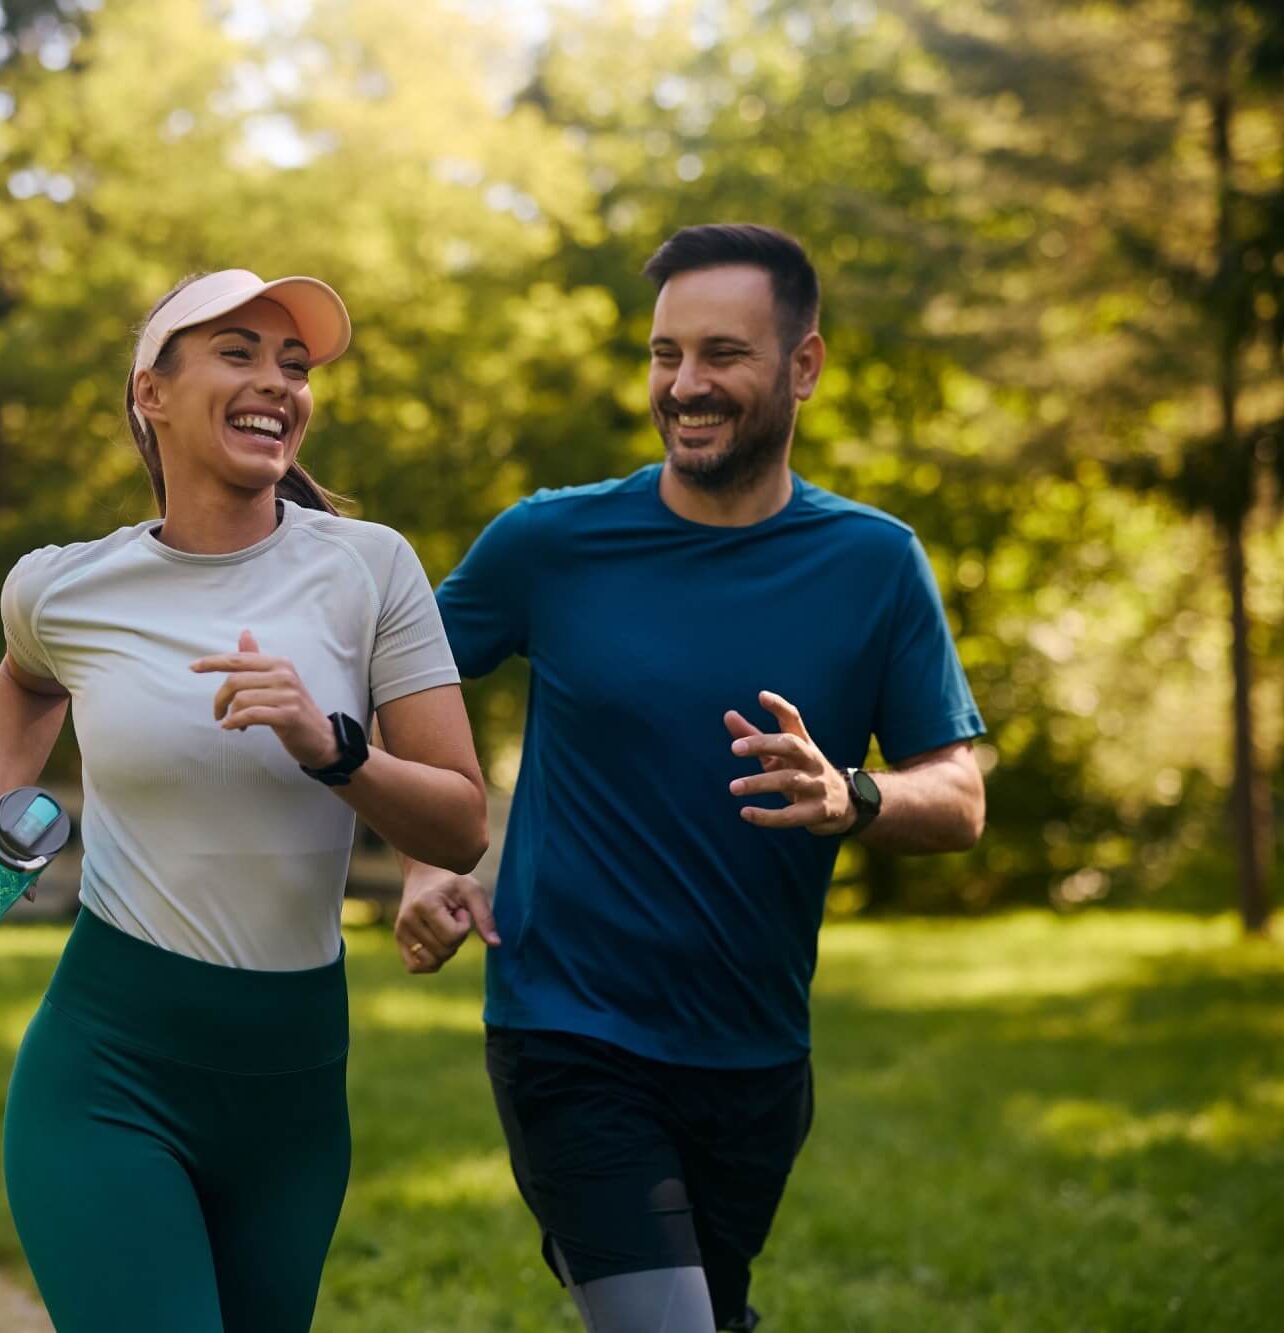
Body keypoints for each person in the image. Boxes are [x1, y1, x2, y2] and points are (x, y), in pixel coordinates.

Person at [395, 224, 987, 1333]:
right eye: (666, 355)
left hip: (754, 1052)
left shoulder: (873, 562)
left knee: (712, 1316)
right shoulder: (551, 542)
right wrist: (429, 854)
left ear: (803, 365)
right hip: (568, 1030)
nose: (686, 385)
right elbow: (395, 679)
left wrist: (850, 796)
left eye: (722, 354)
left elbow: (956, 797)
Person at [0, 269, 487, 1333]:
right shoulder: (63, 586)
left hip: (294, 1089)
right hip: (109, 1072)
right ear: (152, 393)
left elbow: (458, 820)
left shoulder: (371, 572)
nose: (277, 381)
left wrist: (332, 747)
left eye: (294, 365)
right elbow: (27, 675)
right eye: (238, 351)